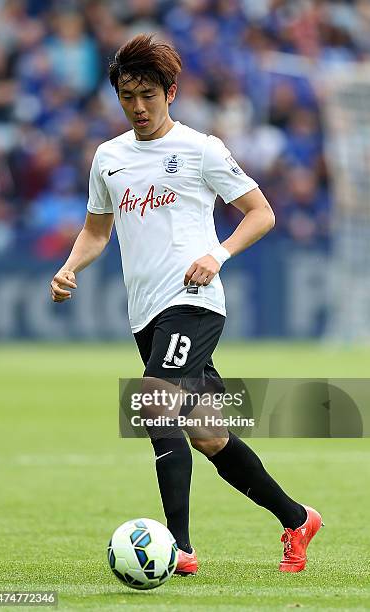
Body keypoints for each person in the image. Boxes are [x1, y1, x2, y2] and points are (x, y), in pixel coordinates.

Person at [51, 34, 322, 575]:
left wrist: (217, 255)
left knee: (153, 403)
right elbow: (96, 232)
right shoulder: (109, 158)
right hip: (145, 314)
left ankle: (179, 548)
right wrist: (68, 266)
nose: (138, 107)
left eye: (148, 94)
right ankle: (297, 519)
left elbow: (261, 212)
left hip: (194, 302)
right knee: (207, 433)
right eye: (127, 96)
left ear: (170, 92)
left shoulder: (201, 149)